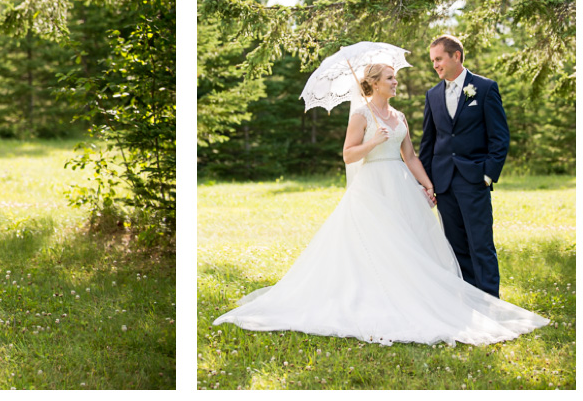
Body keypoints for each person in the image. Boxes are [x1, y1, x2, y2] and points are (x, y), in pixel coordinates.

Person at [213, 63, 546, 345]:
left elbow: (411, 156)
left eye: (394, 77)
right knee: (377, 246)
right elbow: (348, 153)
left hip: (400, 185)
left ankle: (418, 297)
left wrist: (427, 185)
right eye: (389, 78)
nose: (395, 81)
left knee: (407, 246)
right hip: (372, 187)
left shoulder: (399, 115)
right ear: (373, 83)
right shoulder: (360, 114)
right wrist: (372, 140)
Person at [418, 34, 509, 297]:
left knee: (481, 244)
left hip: (474, 179)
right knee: (455, 246)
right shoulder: (432, 95)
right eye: (432, 60)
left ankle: (491, 300)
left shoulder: (485, 88)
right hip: (443, 182)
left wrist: (488, 175)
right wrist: (426, 183)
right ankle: (470, 300)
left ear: (455, 56)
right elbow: (429, 142)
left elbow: (499, 137)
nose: (435, 64)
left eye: (439, 59)